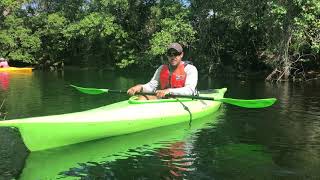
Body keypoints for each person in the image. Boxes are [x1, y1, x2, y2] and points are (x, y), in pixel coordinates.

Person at [127, 43, 198, 100]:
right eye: (170, 54)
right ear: (167, 55)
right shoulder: (161, 68)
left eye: (176, 53)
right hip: (166, 99)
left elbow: (189, 90)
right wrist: (141, 87)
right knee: (142, 98)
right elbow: (152, 86)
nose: (173, 57)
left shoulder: (190, 69)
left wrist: (168, 91)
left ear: (181, 54)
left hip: (184, 100)